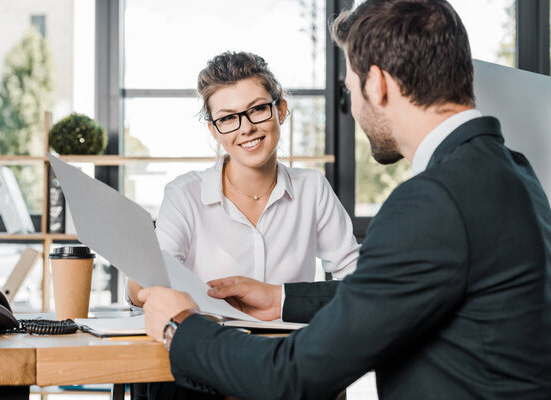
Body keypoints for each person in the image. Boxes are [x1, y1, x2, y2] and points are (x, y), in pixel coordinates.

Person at [138, 1, 551, 399]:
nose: (352, 106)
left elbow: (292, 376)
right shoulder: (513, 172)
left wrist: (180, 326)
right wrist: (282, 299)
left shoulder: (430, 202)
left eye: (350, 88)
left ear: (378, 84)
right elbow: (395, 288)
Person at [127, 51, 360, 305]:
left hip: (291, 342)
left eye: (258, 109)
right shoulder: (184, 194)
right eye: (228, 118)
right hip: (213, 339)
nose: (246, 127)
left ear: (280, 110)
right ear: (214, 130)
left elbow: (357, 278)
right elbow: (146, 289)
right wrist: (141, 277)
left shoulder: (312, 188)